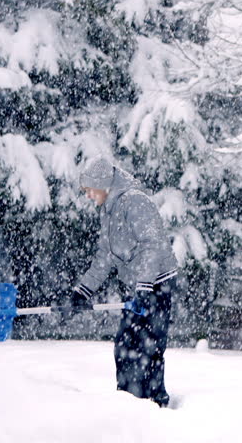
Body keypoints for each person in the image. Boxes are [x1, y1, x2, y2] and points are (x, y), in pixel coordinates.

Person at [69, 157, 180, 408]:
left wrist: (144, 286)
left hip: (157, 283)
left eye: (89, 190)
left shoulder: (135, 202)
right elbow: (105, 257)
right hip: (138, 287)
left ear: (103, 184)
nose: (87, 196)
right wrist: (81, 292)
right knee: (125, 346)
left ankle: (154, 402)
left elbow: (152, 245)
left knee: (148, 347)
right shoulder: (108, 211)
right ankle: (128, 402)